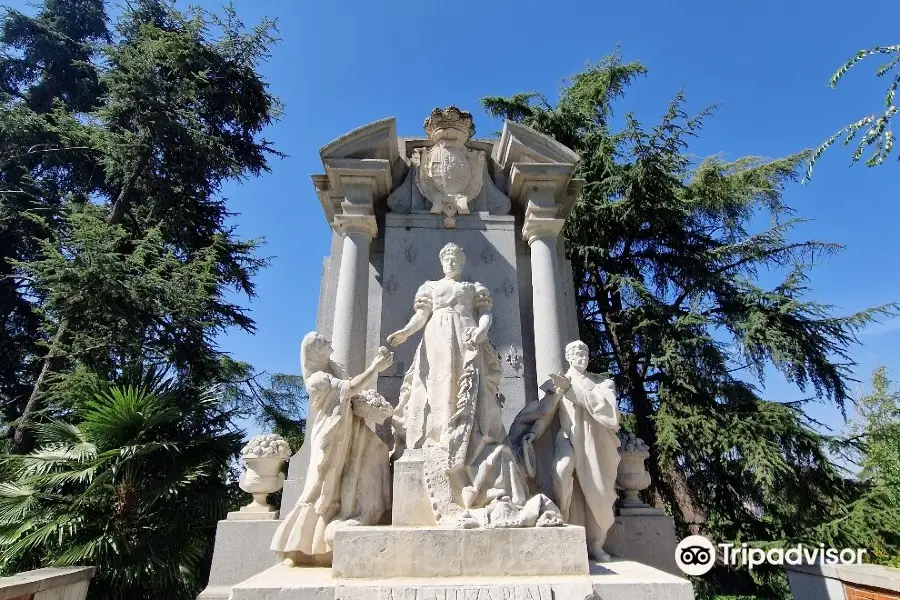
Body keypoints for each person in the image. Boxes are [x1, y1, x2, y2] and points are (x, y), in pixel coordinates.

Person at [388, 243, 527, 523]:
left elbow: (486, 313)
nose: (451, 262)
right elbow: (421, 316)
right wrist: (405, 332)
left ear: (462, 261)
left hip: (467, 336)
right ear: (441, 262)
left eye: (456, 258)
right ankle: (439, 434)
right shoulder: (430, 286)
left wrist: (481, 329)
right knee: (439, 384)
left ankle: (466, 434)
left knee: (466, 385)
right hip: (436, 337)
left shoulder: (473, 287)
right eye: (447, 259)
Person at [271, 332, 393, 564]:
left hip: (351, 427)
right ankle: (298, 547)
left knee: (376, 452)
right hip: (332, 432)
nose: (329, 343)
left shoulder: (334, 367)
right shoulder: (317, 379)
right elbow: (349, 388)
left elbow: (351, 393)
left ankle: (364, 512)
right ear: (316, 352)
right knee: (320, 485)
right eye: (323, 343)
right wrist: (375, 367)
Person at [512, 340, 620, 560]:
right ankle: (561, 515)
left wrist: (572, 390)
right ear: (568, 357)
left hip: (592, 443)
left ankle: (596, 543)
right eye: (577, 353)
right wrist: (535, 432)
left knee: (599, 491)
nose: (583, 356)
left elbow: (610, 415)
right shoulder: (560, 382)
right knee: (561, 471)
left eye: (585, 352)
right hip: (567, 437)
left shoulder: (599, 384)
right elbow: (547, 413)